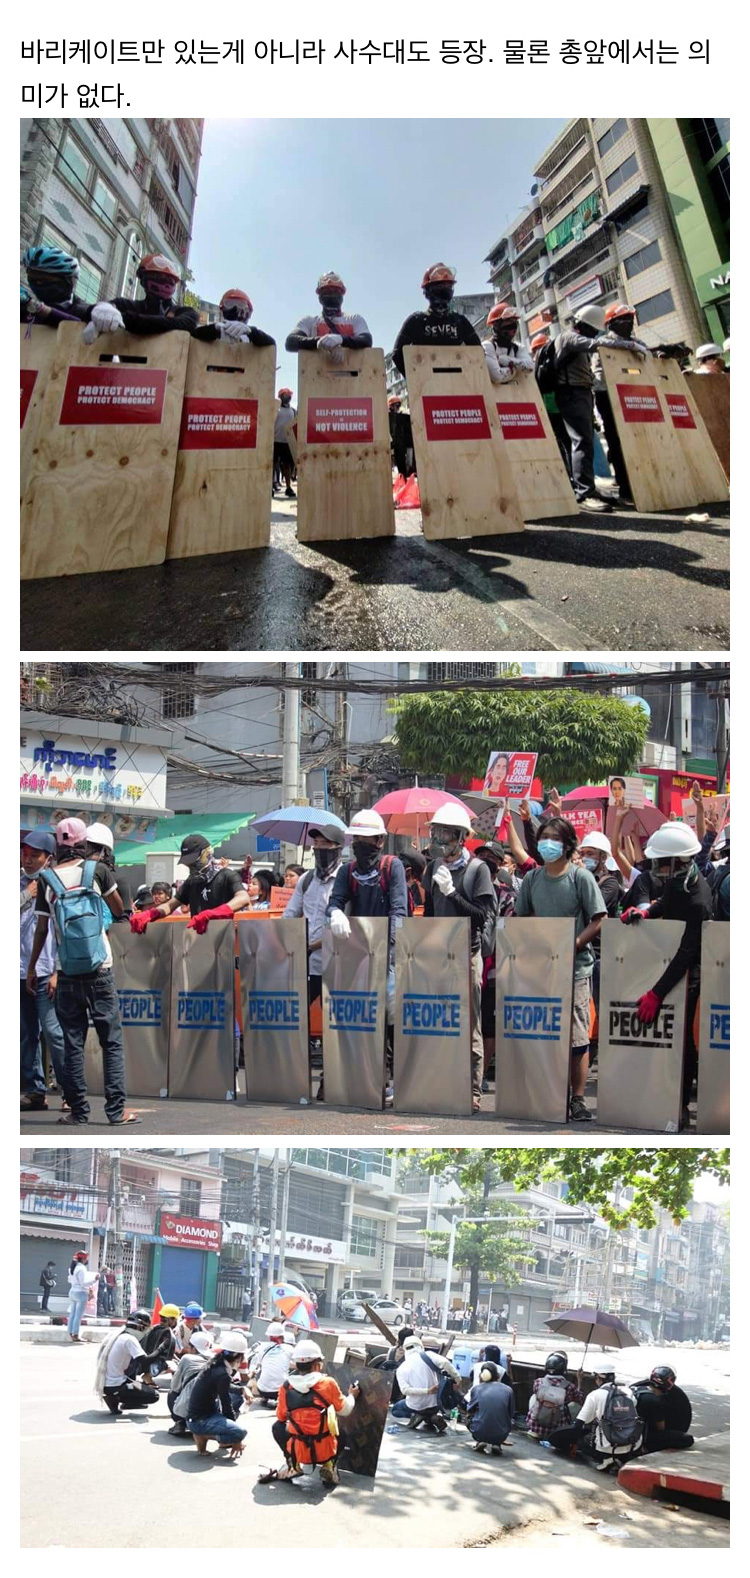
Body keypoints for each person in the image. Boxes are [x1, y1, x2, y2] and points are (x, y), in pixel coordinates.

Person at [27, 817, 135, 1127]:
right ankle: (116, 1112)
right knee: (110, 1041)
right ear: (84, 842)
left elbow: (43, 929)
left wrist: (34, 966)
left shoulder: (47, 879)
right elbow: (118, 909)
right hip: (100, 967)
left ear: (57, 846)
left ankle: (78, 1111)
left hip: (67, 970)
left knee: (72, 1041)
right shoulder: (96, 871)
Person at [515, 816, 606, 1122]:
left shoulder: (580, 878)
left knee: (577, 1036)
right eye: (544, 838)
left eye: (554, 838)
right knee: (543, 1032)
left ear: (567, 845)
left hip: (576, 969)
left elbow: (599, 918)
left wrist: (574, 945)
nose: (547, 844)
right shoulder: (532, 880)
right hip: (541, 968)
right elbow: (522, 917)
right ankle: (545, 1092)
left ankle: (578, 1099)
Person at [423, 803, 498, 1112]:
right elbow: (429, 912)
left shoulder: (477, 870)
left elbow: (482, 915)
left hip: (467, 954)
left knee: (470, 1024)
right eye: (437, 833)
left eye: (447, 834)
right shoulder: (432, 868)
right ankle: (441, 1082)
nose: (441, 839)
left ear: (461, 837)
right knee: (441, 1022)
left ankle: (472, 1091)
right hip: (439, 955)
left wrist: (453, 893)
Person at [327, 809, 408, 1040]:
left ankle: (392, 1066)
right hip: (358, 954)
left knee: (391, 1015)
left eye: (366, 839)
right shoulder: (347, 871)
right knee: (362, 1017)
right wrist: (335, 913)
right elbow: (335, 902)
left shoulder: (392, 867)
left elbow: (398, 911)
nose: (360, 844)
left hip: (387, 954)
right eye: (357, 839)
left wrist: (389, 952)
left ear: (380, 841)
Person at [284, 827, 346, 1087]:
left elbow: (348, 922)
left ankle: (332, 1078)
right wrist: (289, 940)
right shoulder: (306, 879)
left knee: (336, 1025)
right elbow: (290, 914)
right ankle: (295, 1076)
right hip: (308, 964)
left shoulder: (346, 877)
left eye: (325, 844)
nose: (319, 848)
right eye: (316, 844)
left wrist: (317, 944)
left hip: (338, 964)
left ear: (338, 848)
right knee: (296, 1018)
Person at [259, 1339, 359, 1486]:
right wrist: (352, 1395)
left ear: (297, 1365)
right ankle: (328, 1466)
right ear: (317, 1365)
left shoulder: (286, 1387)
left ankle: (293, 1463)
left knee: (277, 1427)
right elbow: (345, 1410)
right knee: (341, 1433)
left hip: (298, 1448)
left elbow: (280, 1417)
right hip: (325, 1449)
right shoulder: (328, 1383)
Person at [20, 830, 66, 1111]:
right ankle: (34, 1089)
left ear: (48, 858)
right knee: (26, 1034)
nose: (27, 860)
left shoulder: (57, 885)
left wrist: (57, 971)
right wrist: (26, 894)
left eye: (34, 855)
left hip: (46, 969)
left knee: (53, 1033)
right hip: (19, 969)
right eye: (24, 854)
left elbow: (64, 929)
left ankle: (69, 1092)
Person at [554, 305, 615, 512]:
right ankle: (584, 493)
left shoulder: (577, 338)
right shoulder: (569, 337)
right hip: (571, 392)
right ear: (581, 324)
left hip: (581, 392)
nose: (594, 333)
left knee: (586, 440)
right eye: (592, 329)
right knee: (580, 441)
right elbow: (593, 344)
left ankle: (589, 488)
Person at [130, 833, 251, 933]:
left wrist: (214, 913)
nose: (190, 866)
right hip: (198, 940)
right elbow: (170, 905)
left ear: (207, 854)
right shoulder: (191, 882)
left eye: (194, 862)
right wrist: (151, 914)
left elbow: (243, 898)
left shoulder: (226, 875)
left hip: (224, 938)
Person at [592, 302, 650, 503]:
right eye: (622, 320)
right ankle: (625, 487)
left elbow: (648, 360)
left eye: (630, 319)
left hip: (637, 396)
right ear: (610, 324)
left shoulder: (638, 342)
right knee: (617, 442)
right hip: (609, 397)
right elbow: (598, 375)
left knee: (643, 440)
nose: (628, 323)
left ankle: (647, 483)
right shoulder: (603, 343)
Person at [82, 252, 198, 343]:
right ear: (143, 279)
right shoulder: (124, 305)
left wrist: (121, 319)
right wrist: (100, 311)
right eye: (158, 277)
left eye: (170, 280)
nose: (166, 284)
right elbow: (86, 311)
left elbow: (177, 324)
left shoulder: (185, 313)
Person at [392, 264, 481, 377]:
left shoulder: (460, 322)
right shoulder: (416, 321)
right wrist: (415, 380)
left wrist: (467, 378)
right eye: (440, 286)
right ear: (428, 291)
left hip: (458, 386)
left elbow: (478, 354)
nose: (445, 289)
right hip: (426, 388)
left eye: (448, 285)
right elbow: (397, 354)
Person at [548, 1369, 643, 1470]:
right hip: (633, 1443)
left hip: (607, 1447)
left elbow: (580, 1423)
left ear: (598, 1378)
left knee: (582, 1440)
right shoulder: (628, 1392)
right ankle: (622, 1458)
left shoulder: (595, 1395)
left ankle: (606, 1458)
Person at [185, 1330, 249, 1456]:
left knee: (237, 1400)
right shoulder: (222, 1373)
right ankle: (203, 1435)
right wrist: (236, 1437)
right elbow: (226, 1404)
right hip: (199, 1420)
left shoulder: (215, 1364)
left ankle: (216, 1435)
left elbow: (223, 1387)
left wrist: (241, 1389)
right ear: (238, 1357)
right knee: (240, 1432)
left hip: (199, 1415)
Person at [286, 272, 372, 364]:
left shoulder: (355, 319)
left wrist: (341, 339)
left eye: (335, 291)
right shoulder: (309, 322)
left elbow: (366, 340)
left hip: (352, 375)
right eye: (327, 292)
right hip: (317, 375)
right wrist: (320, 342)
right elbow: (291, 342)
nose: (331, 295)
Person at [95, 1308, 161, 1414]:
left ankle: (118, 1398)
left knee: (136, 1373)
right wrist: (161, 1349)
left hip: (106, 1382)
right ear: (141, 1326)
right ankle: (118, 1397)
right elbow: (144, 1361)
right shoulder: (129, 1339)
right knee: (154, 1394)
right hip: (116, 1385)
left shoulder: (117, 1334)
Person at [392, 1335, 461, 1433]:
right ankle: (430, 1418)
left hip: (416, 1406)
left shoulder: (402, 1368)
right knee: (426, 1409)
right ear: (420, 1345)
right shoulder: (429, 1355)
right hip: (435, 1405)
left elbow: (405, 1390)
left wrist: (427, 1391)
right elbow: (446, 1363)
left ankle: (420, 1416)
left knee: (395, 1410)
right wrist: (458, 1379)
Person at [20, 244, 90, 328]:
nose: (37, 284)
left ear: (66, 281)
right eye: (32, 279)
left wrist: (33, 305)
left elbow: (77, 327)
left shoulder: (86, 311)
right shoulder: (25, 311)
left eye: (43, 280)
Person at [532, 331, 571, 469]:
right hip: (548, 412)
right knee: (558, 445)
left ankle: (568, 474)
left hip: (558, 410)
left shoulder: (553, 364)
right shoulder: (534, 368)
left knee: (565, 443)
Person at [633, 1366, 694, 1453]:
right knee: (687, 1439)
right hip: (641, 1437)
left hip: (625, 1433)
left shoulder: (636, 1390)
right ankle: (646, 1449)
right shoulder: (655, 1401)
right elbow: (660, 1428)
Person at [192, 288, 275, 349]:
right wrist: (215, 329)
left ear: (248, 312)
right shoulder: (214, 333)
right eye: (230, 304)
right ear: (223, 309)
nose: (235, 308)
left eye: (241, 304)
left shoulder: (254, 337)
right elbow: (193, 335)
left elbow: (272, 344)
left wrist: (252, 332)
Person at [167, 1329, 215, 1434]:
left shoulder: (187, 1358)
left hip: (188, 1411)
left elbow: (175, 1386)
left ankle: (180, 1423)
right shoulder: (216, 1360)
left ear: (193, 1347)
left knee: (172, 1393)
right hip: (211, 1411)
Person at [526, 1351, 582, 1438]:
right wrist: (579, 1381)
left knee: (534, 1397)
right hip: (557, 1430)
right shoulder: (569, 1386)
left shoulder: (538, 1382)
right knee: (574, 1405)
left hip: (535, 1428)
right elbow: (579, 1399)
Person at [465, 1361, 515, 1455]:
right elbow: (511, 1413)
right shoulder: (508, 1390)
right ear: (497, 1375)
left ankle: (480, 1440)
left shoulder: (477, 1389)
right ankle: (497, 1443)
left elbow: (470, 1409)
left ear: (481, 1375)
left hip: (479, 1431)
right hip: (502, 1433)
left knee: (468, 1416)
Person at [85, 822, 132, 915]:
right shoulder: (78, 871)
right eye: (86, 846)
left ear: (104, 852)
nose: (86, 851)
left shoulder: (118, 881)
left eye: (93, 848)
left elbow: (124, 916)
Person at [482, 303, 534, 385]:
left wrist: (508, 361)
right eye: (508, 323)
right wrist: (516, 370)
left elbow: (530, 367)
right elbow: (497, 376)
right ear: (496, 326)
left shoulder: (517, 347)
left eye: (514, 322)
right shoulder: (488, 346)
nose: (512, 326)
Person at [249, 1321, 293, 1405]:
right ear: (283, 1336)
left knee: (261, 1368)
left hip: (262, 1390)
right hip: (281, 1391)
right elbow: (297, 1364)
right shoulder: (289, 1348)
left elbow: (257, 1365)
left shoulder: (262, 1347)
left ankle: (265, 1398)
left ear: (269, 1336)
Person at [141, 1303, 180, 1380]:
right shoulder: (167, 1333)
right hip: (154, 1366)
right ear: (172, 1320)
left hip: (146, 1364)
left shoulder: (155, 1328)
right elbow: (161, 1352)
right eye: (175, 1319)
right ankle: (148, 1376)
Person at [67, 1251, 98, 1342]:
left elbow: (69, 1280)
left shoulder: (72, 1268)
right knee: (78, 1316)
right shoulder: (82, 1268)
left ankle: (70, 1332)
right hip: (80, 1293)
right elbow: (83, 1283)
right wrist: (94, 1280)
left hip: (72, 1292)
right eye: (86, 1258)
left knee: (72, 1314)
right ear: (84, 1259)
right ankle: (75, 1335)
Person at [273, 389, 297, 499]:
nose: (288, 396)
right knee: (272, 465)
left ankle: (288, 487)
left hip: (287, 442)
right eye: (286, 395)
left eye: (289, 395)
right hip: (275, 441)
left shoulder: (293, 411)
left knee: (287, 466)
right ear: (281, 396)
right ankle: (270, 486)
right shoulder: (275, 409)